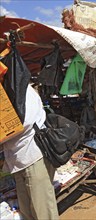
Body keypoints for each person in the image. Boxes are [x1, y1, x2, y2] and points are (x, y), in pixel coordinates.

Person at [1, 84, 59, 219]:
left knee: (43, 210)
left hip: (33, 155)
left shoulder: (22, 89)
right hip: (18, 160)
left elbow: (26, 122)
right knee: (26, 209)